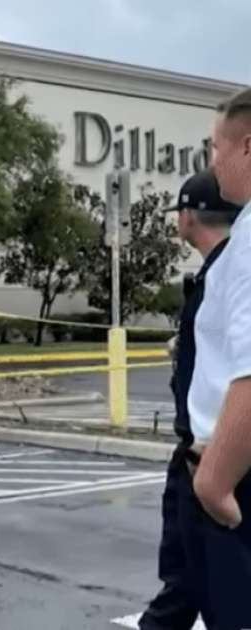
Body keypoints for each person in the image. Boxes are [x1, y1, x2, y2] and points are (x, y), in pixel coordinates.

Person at [138, 169, 239, 630]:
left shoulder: (230, 273)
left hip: (214, 460)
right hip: (202, 457)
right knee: (186, 585)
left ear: (189, 215)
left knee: (223, 599)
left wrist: (211, 473)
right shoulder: (219, 271)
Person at [182, 87, 251, 629]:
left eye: (214, 148)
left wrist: (214, 486)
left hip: (235, 479)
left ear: (247, 146)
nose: (211, 162)